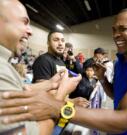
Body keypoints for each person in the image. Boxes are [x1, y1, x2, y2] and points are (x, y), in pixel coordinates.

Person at [0, 8, 127, 135]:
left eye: (123, 29)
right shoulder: (121, 62)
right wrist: (103, 80)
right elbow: (118, 98)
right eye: (114, 29)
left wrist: (58, 106)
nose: (116, 35)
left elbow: (123, 119)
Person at [0, 0, 82, 135]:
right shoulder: (42, 61)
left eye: (62, 40)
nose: (30, 31)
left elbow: (21, 91)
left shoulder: (61, 61)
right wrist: (65, 95)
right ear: (48, 43)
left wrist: (51, 83)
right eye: (24, 21)